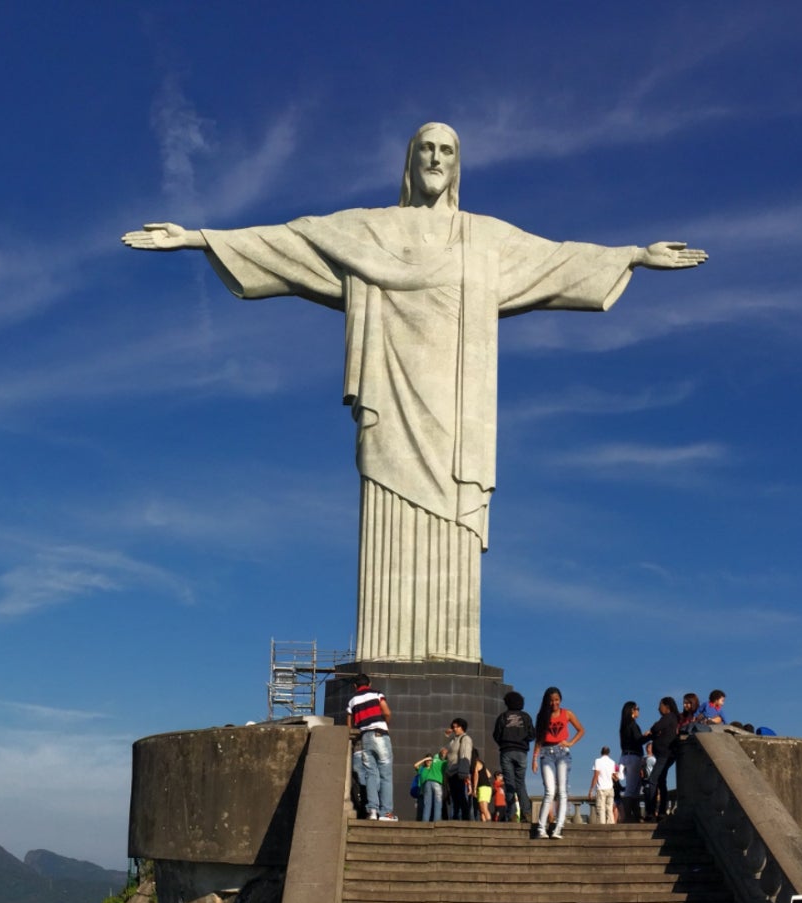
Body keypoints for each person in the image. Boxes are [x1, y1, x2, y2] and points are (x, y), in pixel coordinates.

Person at [123, 123, 706, 663]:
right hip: (391, 395)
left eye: (447, 151)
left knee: (454, 509)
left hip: (457, 405)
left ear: (458, 166)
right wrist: (199, 238)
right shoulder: (371, 229)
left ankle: (450, 651)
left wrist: (633, 254)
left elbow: (556, 258)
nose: (435, 158)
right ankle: (384, 650)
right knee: (388, 496)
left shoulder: (484, 238)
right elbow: (295, 241)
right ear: (410, 161)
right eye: (426, 148)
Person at [531, 687, 586, 839]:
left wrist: (570, 743)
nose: (554, 703)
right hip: (546, 753)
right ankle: (541, 828)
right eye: (551, 700)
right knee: (549, 790)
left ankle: (558, 828)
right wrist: (534, 759)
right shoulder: (542, 716)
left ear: (560, 700)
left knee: (562, 791)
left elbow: (581, 730)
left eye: (556, 700)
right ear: (547, 701)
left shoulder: (567, 713)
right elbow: (539, 739)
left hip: (563, 753)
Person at [347, 674, 396, 820]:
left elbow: (349, 725)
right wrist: (385, 724)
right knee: (386, 775)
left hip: (364, 737)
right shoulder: (377, 693)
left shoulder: (352, 701)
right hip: (380, 734)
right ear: (370, 683)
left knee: (370, 774)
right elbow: (386, 712)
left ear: (355, 686)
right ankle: (386, 812)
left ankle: (372, 811)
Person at [493, 690, 534, 824]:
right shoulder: (526, 717)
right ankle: (526, 813)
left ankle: (511, 815)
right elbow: (532, 734)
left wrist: (504, 743)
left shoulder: (503, 717)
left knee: (509, 783)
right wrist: (523, 741)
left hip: (507, 752)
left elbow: (496, 735)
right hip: (522, 752)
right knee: (520, 783)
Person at [643, 697, 682, 821]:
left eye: (660, 705)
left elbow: (656, 728)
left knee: (653, 780)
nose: (658, 708)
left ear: (667, 706)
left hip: (665, 754)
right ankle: (661, 812)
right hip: (665, 754)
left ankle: (650, 811)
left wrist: (654, 729)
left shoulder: (669, 716)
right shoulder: (671, 718)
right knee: (661, 781)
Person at [618, 701, 646, 823]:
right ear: (632, 711)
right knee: (632, 789)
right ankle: (627, 816)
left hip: (625, 756)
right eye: (637, 708)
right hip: (633, 756)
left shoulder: (624, 725)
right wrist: (649, 735)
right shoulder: (633, 725)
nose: (638, 711)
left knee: (633, 787)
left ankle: (633, 815)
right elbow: (639, 740)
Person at [445, 718, 475, 821]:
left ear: (462, 727)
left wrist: (463, 772)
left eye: (457, 726)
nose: (455, 728)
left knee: (461, 796)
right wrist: (447, 736)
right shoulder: (453, 739)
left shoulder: (465, 739)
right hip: (451, 772)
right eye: (453, 727)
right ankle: (456, 816)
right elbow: (446, 751)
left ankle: (465, 818)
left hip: (459, 771)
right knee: (455, 797)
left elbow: (465, 755)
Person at [414, 749, 447, 822]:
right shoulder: (423, 769)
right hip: (427, 789)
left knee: (428, 805)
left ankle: (426, 822)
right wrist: (425, 759)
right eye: (427, 760)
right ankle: (435, 822)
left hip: (427, 786)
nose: (429, 761)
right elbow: (415, 765)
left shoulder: (434, 762)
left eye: (430, 760)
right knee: (436, 804)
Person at [588, 746, 618, 825]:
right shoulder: (612, 762)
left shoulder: (598, 761)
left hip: (601, 788)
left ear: (601, 752)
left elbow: (596, 776)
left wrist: (591, 790)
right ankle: (610, 826)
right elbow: (615, 776)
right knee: (609, 809)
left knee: (601, 809)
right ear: (609, 753)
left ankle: (602, 827)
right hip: (610, 788)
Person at [473, 756, 493, 821]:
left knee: (484, 809)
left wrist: (474, 788)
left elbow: (476, 775)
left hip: (483, 787)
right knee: (482, 810)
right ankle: (484, 826)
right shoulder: (482, 764)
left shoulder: (476, 763)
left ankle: (490, 827)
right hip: (487, 787)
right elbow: (489, 775)